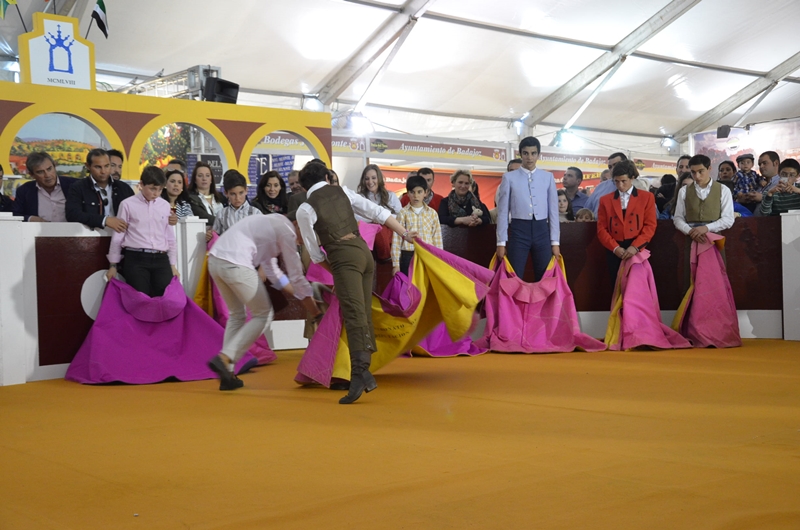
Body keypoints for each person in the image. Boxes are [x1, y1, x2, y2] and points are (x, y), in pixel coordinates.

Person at [296, 162, 417, 404]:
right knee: (361, 312)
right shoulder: (344, 191)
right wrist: (404, 233)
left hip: (344, 259)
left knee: (354, 315)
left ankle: (360, 373)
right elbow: (379, 213)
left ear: (302, 185)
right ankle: (364, 371)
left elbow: (316, 255)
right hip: (364, 253)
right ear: (327, 176)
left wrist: (338, 273)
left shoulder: (305, 209)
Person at [207, 214, 321, 391]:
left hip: (215, 261)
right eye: (305, 232)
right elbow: (296, 275)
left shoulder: (272, 224)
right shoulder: (287, 231)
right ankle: (226, 357)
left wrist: (301, 295)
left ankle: (227, 373)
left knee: (237, 315)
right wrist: (313, 308)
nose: (303, 240)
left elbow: (273, 272)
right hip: (236, 263)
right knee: (264, 315)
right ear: (297, 224)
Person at [106, 166, 178, 297]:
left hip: (161, 258)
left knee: (165, 297)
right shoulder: (127, 204)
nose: (156, 193)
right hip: (136, 258)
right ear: (141, 184)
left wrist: (172, 264)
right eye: (152, 188)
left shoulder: (165, 205)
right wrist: (113, 264)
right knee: (140, 298)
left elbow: (170, 237)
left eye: (160, 189)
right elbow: (118, 235)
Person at [495, 136, 559, 281]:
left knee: (545, 277)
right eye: (525, 153)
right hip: (518, 231)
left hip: (542, 231)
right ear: (520, 154)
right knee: (514, 276)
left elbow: (553, 212)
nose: (529, 157)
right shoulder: (509, 177)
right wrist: (501, 242)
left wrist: (555, 242)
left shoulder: (547, 177)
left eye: (533, 153)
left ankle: (543, 305)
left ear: (538, 154)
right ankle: (514, 305)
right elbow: (503, 212)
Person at [597, 160, 657, 282]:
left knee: (636, 285)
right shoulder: (605, 200)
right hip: (614, 248)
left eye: (624, 181)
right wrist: (615, 248)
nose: (620, 185)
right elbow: (601, 229)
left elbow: (650, 225)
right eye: (616, 181)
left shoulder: (646, 197)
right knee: (616, 283)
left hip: (637, 246)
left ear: (632, 178)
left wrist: (635, 247)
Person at [65, 148, 133, 231]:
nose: (103, 171)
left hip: (120, 238)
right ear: (88, 166)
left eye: (107, 166)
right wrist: (104, 220)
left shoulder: (124, 188)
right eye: (98, 167)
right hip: (90, 238)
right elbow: (72, 215)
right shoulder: (78, 187)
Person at [673, 154, 734, 244]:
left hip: (714, 237)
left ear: (709, 169)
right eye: (693, 172)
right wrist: (690, 231)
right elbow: (678, 218)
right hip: (691, 237)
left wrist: (706, 228)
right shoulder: (684, 191)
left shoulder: (723, 189)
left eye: (701, 171)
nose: (697, 176)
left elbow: (728, 219)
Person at [391, 175, 442, 277]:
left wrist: (439, 261)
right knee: (408, 286)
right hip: (407, 255)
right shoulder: (403, 213)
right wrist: (395, 265)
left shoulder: (432, 214)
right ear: (407, 193)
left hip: (428, 255)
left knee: (425, 286)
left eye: (419, 192)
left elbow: (437, 239)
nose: (416, 196)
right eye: (412, 192)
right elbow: (396, 240)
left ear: (426, 193)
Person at [12, 152, 77, 221]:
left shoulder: (75, 185)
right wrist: (30, 218)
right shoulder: (24, 190)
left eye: (49, 169)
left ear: (54, 167)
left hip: (73, 230)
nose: (47, 175)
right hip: (38, 231)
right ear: (32, 175)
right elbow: (15, 215)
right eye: (40, 172)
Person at [213, 170, 262, 236]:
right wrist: (210, 235)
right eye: (233, 194)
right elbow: (215, 237)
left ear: (246, 190)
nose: (237, 198)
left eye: (241, 193)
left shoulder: (256, 213)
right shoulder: (221, 214)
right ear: (226, 193)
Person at [187, 161, 227, 231]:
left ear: (211, 179)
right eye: (200, 175)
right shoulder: (190, 198)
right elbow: (203, 216)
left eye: (207, 175)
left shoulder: (221, 198)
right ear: (195, 180)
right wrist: (225, 222)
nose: (204, 179)